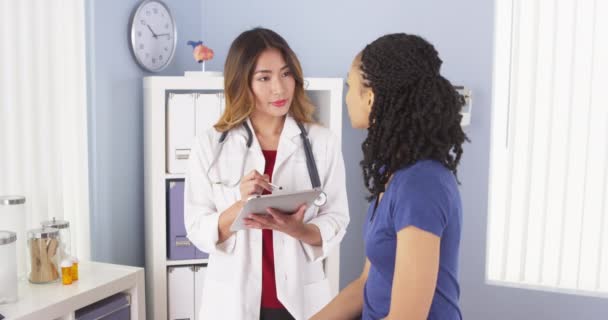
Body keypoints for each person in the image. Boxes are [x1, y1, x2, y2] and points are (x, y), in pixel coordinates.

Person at [184, 28, 349, 320]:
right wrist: (239, 204)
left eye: (286, 74)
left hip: (300, 302)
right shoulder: (210, 145)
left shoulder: (321, 142)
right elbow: (197, 227)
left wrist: (297, 229)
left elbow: (337, 217)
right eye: (264, 78)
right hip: (233, 304)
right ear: (241, 83)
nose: (280, 88)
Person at [312, 33, 468, 320]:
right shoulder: (393, 175)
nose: (347, 96)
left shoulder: (421, 186)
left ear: (370, 98)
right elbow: (365, 284)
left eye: (350, 86)